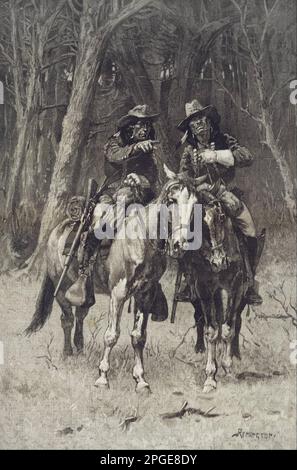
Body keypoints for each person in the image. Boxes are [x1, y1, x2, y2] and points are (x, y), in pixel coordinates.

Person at [65, 104, 167, 321]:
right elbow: (115, 156)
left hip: (141, 195)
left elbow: (154, 174)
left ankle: (155, 282)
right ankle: (85, 271)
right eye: (141, 125)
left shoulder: (149, 148)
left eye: (147, 125)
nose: (145, 129)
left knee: (166, 222)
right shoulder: (116, 141)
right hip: (112, 193)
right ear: (130, 127)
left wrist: (142, 180)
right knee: (106, 216)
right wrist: (136, 148)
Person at [176, 99, 263, 305]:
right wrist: (191, 182)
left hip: (225, 193)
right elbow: (183, 173)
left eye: (202, 121)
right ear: (190, 128)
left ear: (209, 122)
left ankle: (249, 282)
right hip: (200, 197)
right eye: (194, 123)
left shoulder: (224, 139)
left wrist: (217, 155)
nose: (200, 126)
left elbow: (247, 156)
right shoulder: (189, 151)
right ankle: (189, 281)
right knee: (185, 230)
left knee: (249, 228)